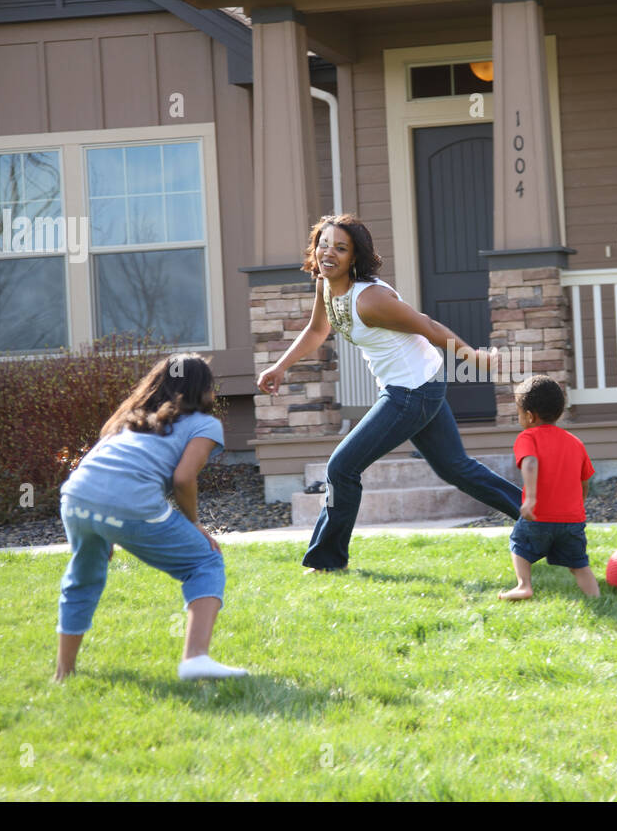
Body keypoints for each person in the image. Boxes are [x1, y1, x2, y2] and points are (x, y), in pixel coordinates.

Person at [257, 213, 522, 573]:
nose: (328, 253)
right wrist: (281, 366)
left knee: (342, 467)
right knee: (454, 467)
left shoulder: (371, 299)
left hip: (412, 391)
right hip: (417, 385)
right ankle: (539, 517)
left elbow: (427, 325)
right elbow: (318, 330)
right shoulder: (325, 284)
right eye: (323, 243)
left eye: (340, 247)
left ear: (355, 257)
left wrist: (474, 358)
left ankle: (327, 561)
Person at [53, 353, 248, 681]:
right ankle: (195, 659)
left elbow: (100, 471)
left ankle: (63, 673)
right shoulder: (205, 424)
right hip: (129, 504)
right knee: (204, 561)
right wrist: (195, 524)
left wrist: (102, 531)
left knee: (82, 578)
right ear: (202, 390)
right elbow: (184, 479)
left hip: (76, 498)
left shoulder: (126, 420)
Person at [499, 375, 599, 601]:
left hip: (539, 517)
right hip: (572, 520)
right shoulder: (575, 442)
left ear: (529, 416)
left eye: (518, 413)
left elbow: (530, 462)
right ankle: (596, 597)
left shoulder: (527, 437)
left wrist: (531, 499)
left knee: (519, 544)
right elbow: (585, 482)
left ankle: (524, 585)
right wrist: (578, 506)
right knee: (579, 564)